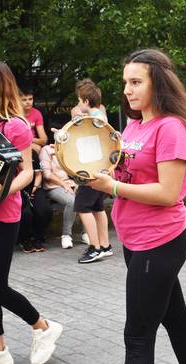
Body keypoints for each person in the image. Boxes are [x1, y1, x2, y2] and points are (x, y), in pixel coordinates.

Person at [87, 49, 186, 364]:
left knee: (138, 340)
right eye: (126, 82)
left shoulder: (171, 128)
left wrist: (110, 188)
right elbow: (127, 175)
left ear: (158, 83)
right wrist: (97, 175)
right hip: (135, 241)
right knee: (175, 320)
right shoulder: (134, 125)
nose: (127, 89)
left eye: (136, 81)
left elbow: (167, 193)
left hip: (159, 242)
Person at [0, 60, 62, 364]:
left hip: (3, 215)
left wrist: (1, 192)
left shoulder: (15, 126)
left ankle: (42, 326)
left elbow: (26, 172)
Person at [72, 79, 113, 264]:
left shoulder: (92, 119)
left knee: (82, 207)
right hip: (101, 169)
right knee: (97, 207)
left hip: (90, 170)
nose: (78, 104)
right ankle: (105, 246)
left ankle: (95, 247)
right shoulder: (100, 117)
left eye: (79, 101)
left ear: (86, 101)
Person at [39, 143, 77, 249]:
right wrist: (64, 184)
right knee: (72, 201)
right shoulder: (47, 150)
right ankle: (66, 235)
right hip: (53, 186)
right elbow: (47, 174)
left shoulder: (70, 148)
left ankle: (86, 233)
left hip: (72, 183)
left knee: (87, 196)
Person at [17, 149, 52, 253]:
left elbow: (38, 175)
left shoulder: (31, 152)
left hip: (34, 186)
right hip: (17, 188)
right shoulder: (10, 154)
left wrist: (35, 187)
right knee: (26, 213)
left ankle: (38, 238)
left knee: (45, 210)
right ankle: (24, 240)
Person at [20, 89, 49, 154]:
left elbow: (44, 140)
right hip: (17, 144)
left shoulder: (36, 113)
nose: (28, 102)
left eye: (30, 99)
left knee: (48, 150)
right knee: (37, 148)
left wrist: (29, 139)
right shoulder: (14, 114)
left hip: (31, 142)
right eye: (24, 100)